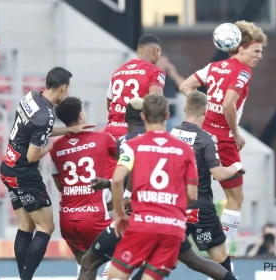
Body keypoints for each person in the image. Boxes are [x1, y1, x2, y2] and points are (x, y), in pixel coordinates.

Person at [79, 96, 236, 280]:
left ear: (144, 117)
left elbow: (116, 180)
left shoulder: (132, 146)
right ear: (168, 116)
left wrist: (120, 214)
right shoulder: (184, 148)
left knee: (111, 274)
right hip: (172, 225)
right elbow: (192, 194)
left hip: (142, 223)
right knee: (194, 262)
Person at [179, 20, 268, 252]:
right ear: (241, 48)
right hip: (224, 140)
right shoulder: (243, 71)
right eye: (256, 51)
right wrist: (236, 133)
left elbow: (186, 87)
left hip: (201, 136)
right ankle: (225, 251)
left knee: (194, 191)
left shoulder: (214, 66)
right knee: (235, 199)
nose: (260, 56)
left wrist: (204, 109)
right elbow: (229, 104)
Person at [0, 67, 92, 280]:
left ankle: (24, 277)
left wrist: (69, 130)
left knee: (27, 225)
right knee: (46, 226)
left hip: (8, 167)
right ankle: (26, 278)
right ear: (63, 87)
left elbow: (34, 130)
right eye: (67, 89)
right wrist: (51, 144)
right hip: (25, 173)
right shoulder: (47, 115)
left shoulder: (31, 96)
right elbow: (33, 155)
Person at [170, 90, 246, 271]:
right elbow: (219, 174)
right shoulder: (206, 139)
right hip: (199, 209)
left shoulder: (170, 135)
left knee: (164, 263)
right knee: (221, 261)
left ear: (184, 108)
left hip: (173, 208)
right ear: (206, 111)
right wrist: (236, 167)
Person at [49, 96, 117, 278]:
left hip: (68, 220)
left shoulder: (55, 147)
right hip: (94, 217)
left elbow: (60, 185)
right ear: (81, 115)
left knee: (85, 266)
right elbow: (125, 162)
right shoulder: (103, 138)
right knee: (124, 250)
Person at [104, 34, 166, 178]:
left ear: (138, 51)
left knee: (113, 185)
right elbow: (156, 101)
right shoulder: (155, 71)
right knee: (138, 184)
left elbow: (110, 104)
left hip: (111, 135)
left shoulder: (117, 72)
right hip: (135, 134)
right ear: (156, 51)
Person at [156, 55, 185, 131]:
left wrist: (174, 73)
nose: (163, 64)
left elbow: (185, 87)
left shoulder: (170, 78)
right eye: (160, 62)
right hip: (155, 116)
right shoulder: (152, 76)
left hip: (170, 116)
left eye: (165, 62)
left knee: (179, 129)